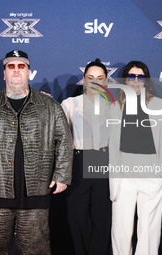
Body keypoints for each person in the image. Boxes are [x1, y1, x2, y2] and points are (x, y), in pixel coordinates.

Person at [0, 49, 73, 255]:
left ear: (29, 72)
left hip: (36, 190)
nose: (16, 70)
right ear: (3, 73)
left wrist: (61, 175)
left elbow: (64, 142)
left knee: (36, 248)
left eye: (21, 66)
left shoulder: (49, 106)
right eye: (11, 66)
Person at [109, 61, 162, 255]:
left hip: (151, 174)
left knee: (149, 231)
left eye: (140, 76)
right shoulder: (116, 106)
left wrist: (161, 175)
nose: (136, 81)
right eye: (131, 76)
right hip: (123, 175)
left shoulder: (160, 106)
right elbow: (112, 144)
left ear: (146, 80)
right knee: (120, 230)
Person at [61, 58, 112, 255]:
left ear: (106, 81)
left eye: (100, 78)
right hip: (77, 162)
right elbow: (61, 139)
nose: (95, 82)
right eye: (90, 78)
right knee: (77, 218)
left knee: (102, 218)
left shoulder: (113, 106)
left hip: (102, 161)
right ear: (84, 80)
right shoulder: (70, 104)